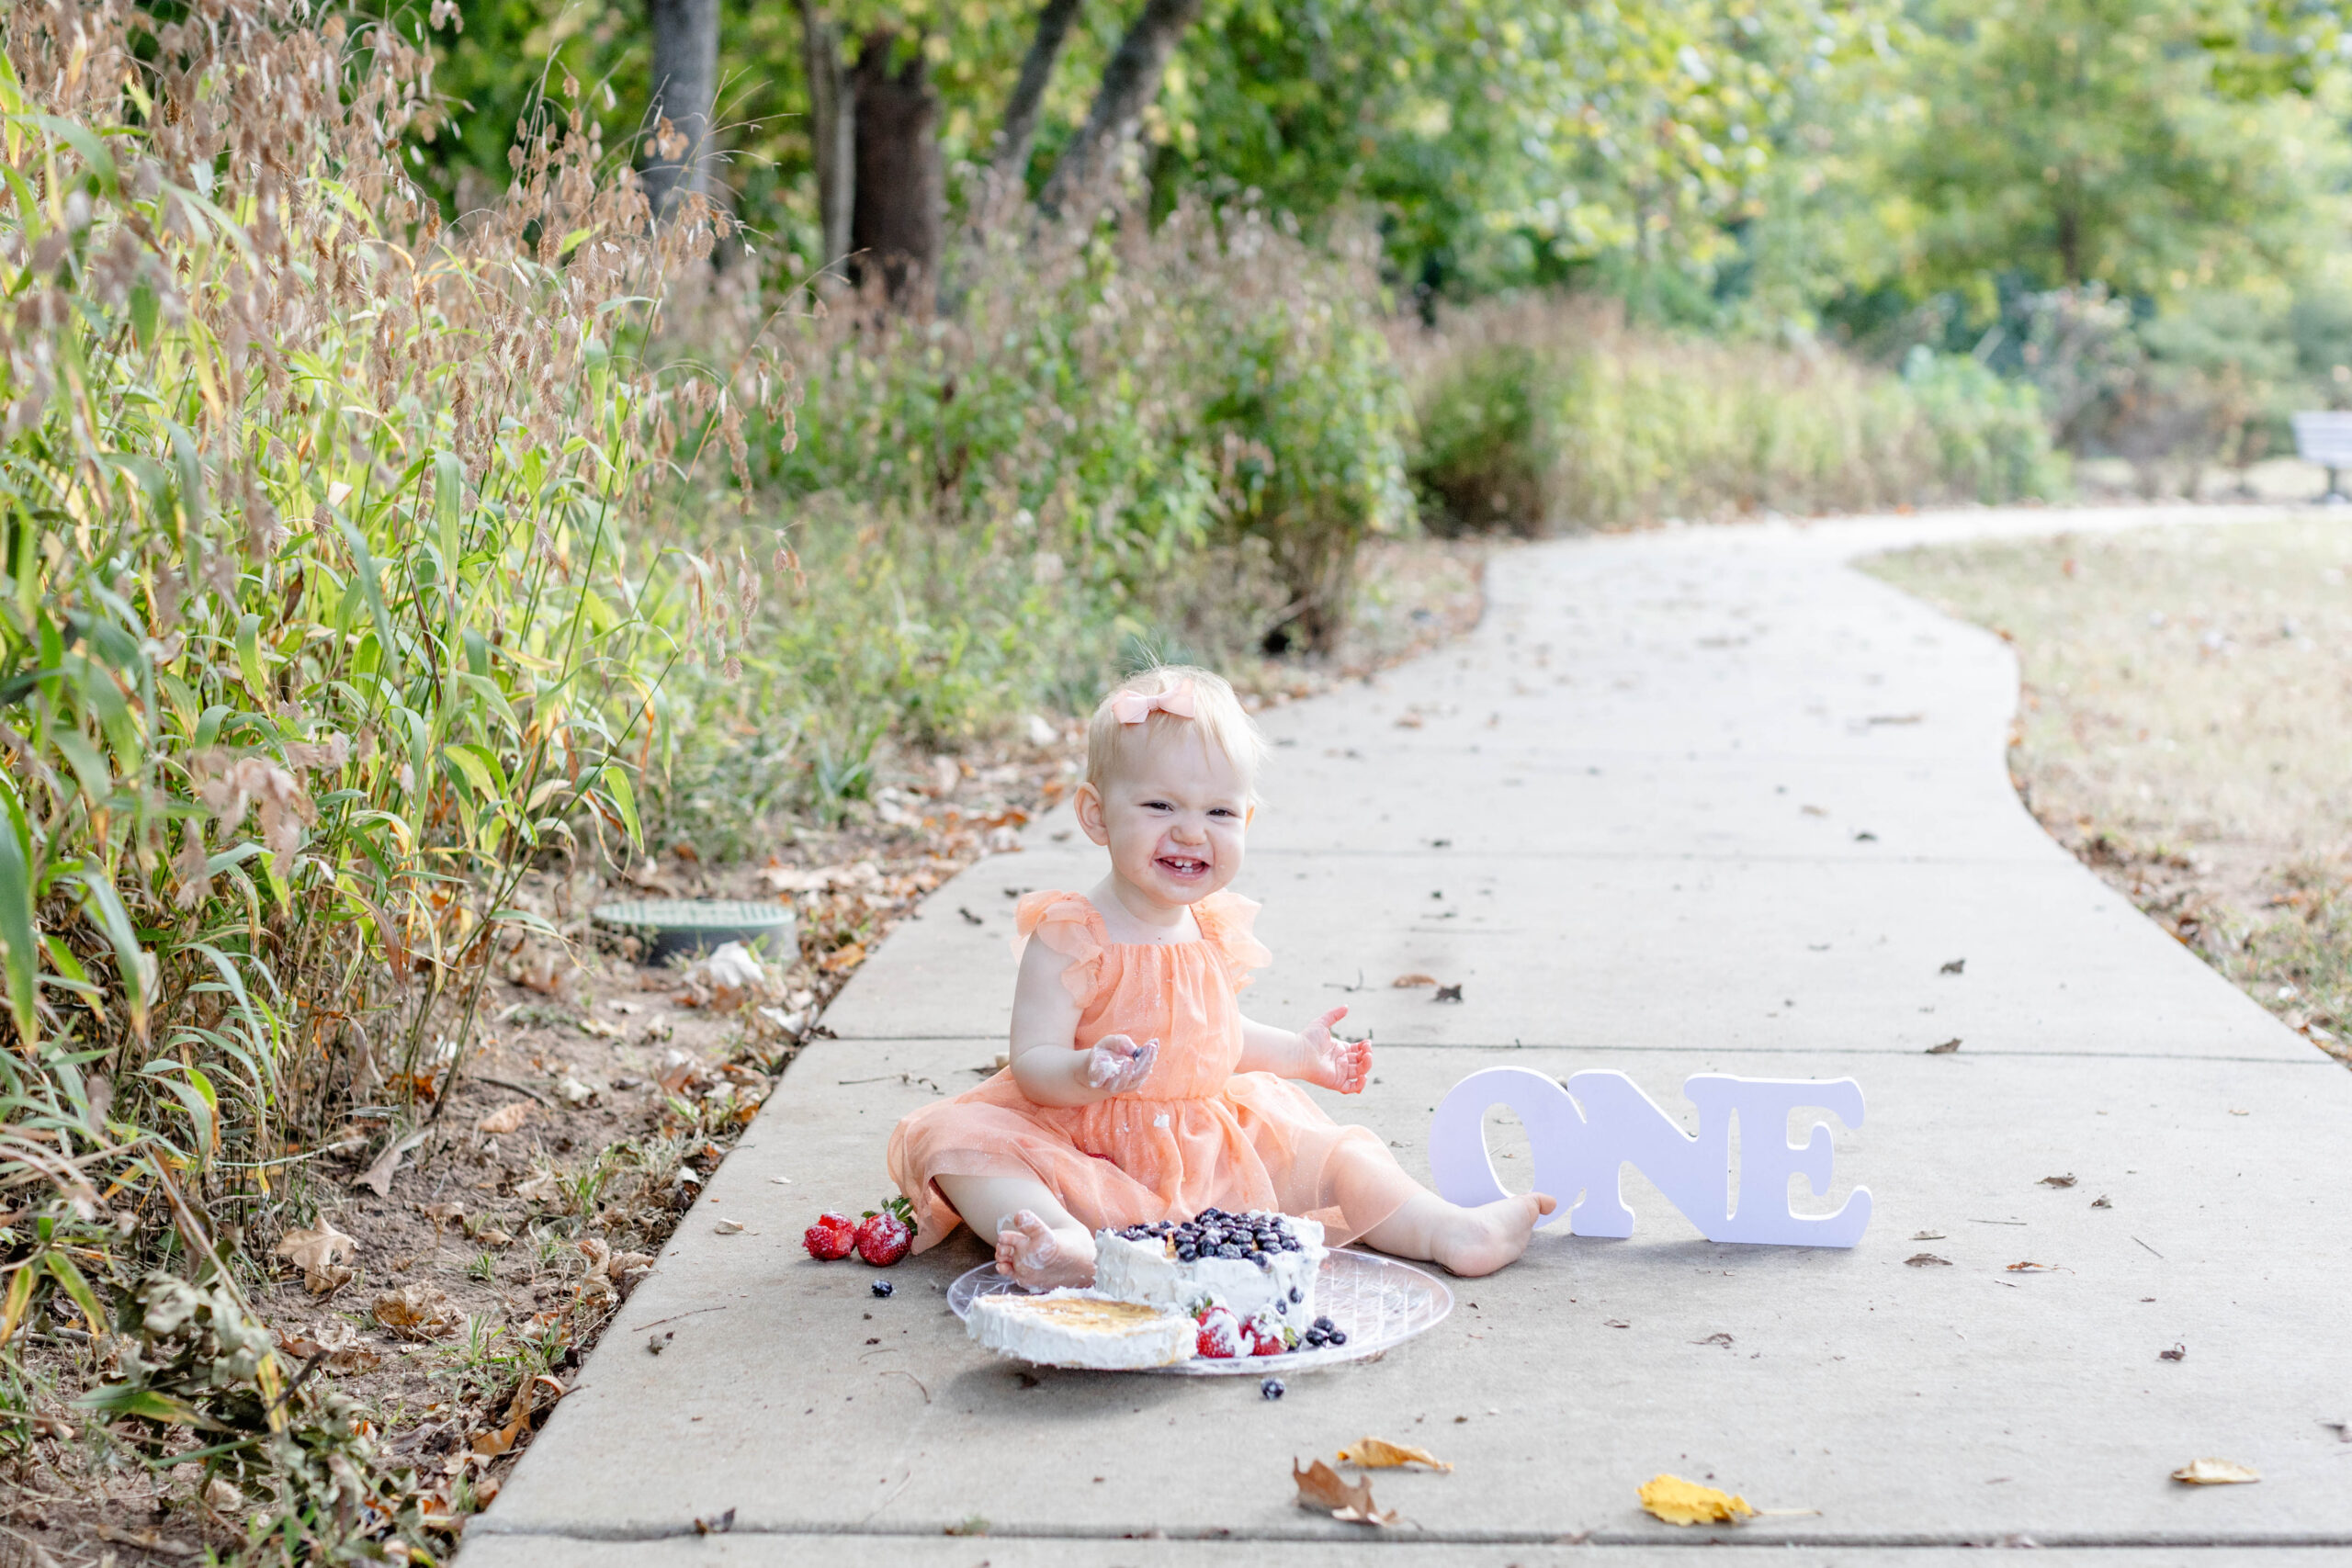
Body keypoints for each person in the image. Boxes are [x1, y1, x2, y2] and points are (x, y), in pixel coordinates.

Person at [888, 664, 1555, 1289]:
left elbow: (1211, 1037)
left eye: (1218, 813)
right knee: (959, 1145)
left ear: (1247, 820)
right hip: (1087, 1149)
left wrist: (1298, 1053)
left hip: (1206, 1147)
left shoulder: (1211, 926)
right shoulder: (1072, 934)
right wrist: (1086, 1069)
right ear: (1096, 813)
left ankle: (1447, 1228)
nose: (1190, 833)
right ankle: (1063, 1242)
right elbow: (1031, 1062)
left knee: (1340, 1154)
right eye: (1159, 806)